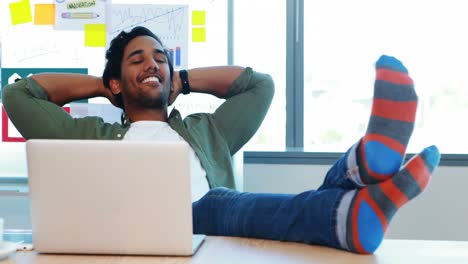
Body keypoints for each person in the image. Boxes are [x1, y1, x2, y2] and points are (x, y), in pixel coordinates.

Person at [2, 26, 440, 254]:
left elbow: (259, 86)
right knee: (221, 202)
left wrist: (184, 80)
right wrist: (103, 84)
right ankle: (358, 171)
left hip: (212, 237)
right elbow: (18, 94)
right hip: (139, 232)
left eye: (160, 59)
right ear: (117, 81)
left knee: (223, 204)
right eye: (137, 61)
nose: (152, 65)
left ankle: (356, 188)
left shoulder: (206, 131)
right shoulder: (89, 135)